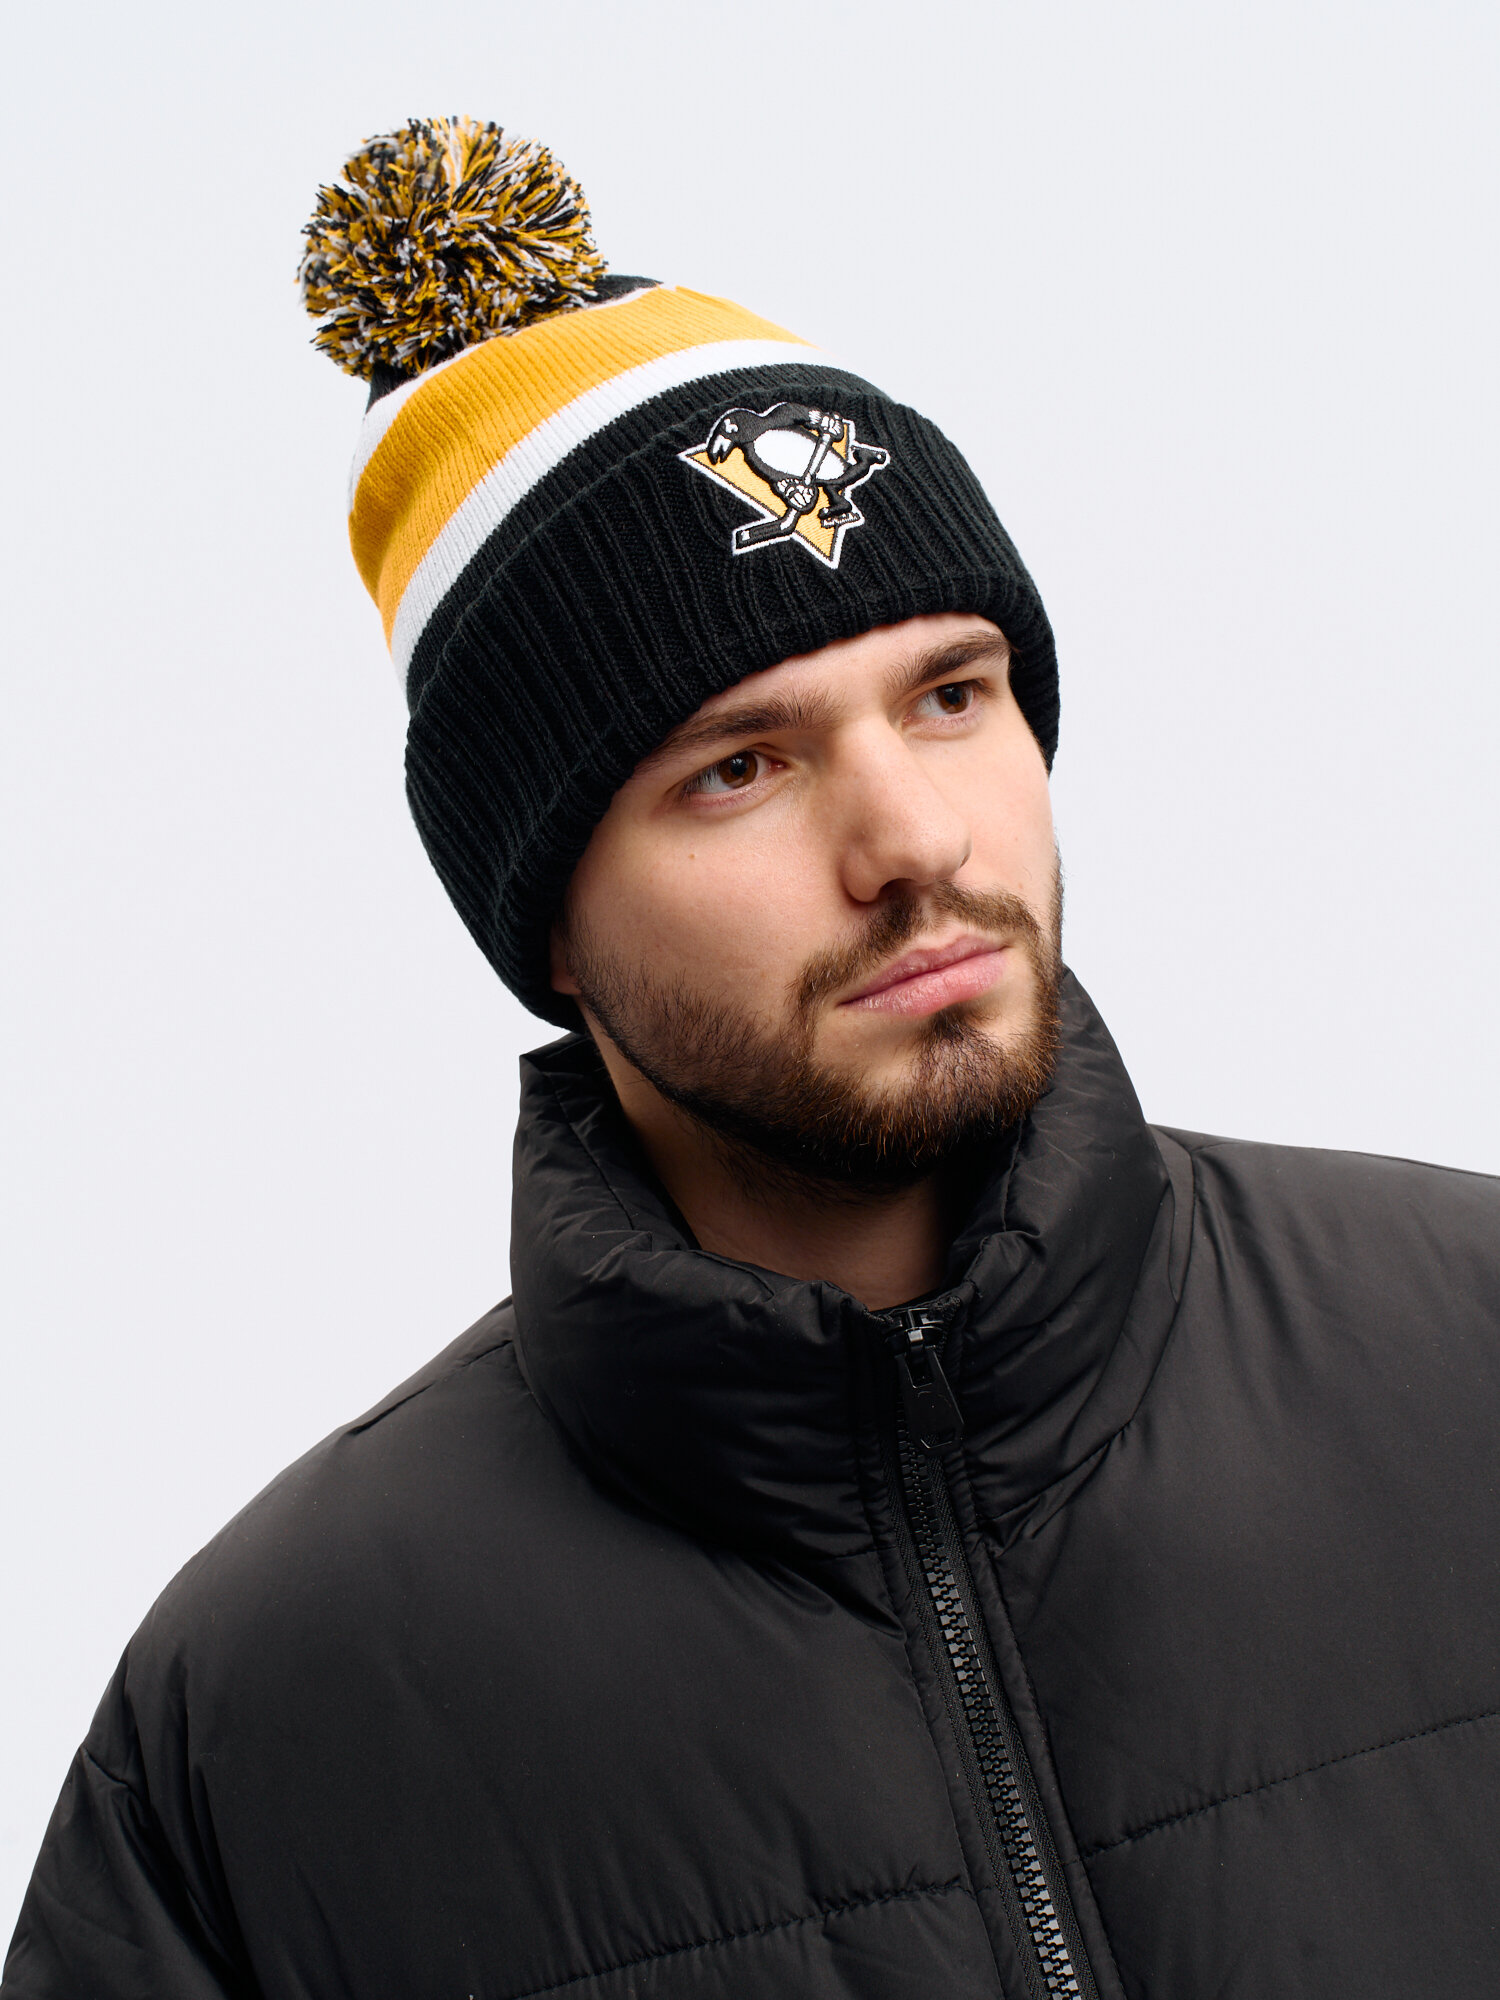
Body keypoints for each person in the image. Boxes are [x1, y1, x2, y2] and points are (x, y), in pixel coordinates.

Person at [5, 114, 1498, 2000]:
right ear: (548, 919)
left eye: (951, 695)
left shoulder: (1474, 1349)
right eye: (740, 767)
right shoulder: (260, 1720)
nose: (915, 842)